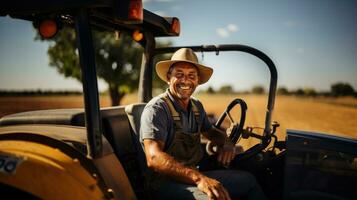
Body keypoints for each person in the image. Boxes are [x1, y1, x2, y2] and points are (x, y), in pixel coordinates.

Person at [140, 48, 267, 200]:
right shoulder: (157, 109)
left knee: (249, 181)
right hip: (164, 183)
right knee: (213, 197)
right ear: (169, 77)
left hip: (193, 174)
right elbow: (154, 158)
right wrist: (200, 179)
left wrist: (227, 143)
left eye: (191, 75)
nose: (185, 80)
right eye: (179, 74)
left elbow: (211, 132)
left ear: (198, 80)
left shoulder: (196, 107)